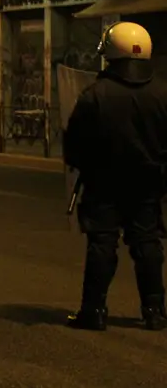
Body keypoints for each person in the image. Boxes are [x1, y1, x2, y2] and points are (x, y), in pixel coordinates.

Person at [63, 21, 167, 331]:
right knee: (148, 244)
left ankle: (93, 311)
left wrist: (85, 167)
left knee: (102, 245)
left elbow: (74, 144)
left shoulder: (95, 94)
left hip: (104, 184)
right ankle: (155, 310)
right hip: (149, 183)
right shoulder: (163, 94)